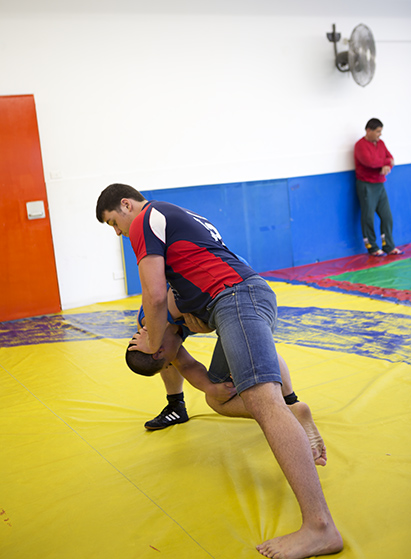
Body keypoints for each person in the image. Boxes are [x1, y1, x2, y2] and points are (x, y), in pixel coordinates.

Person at [96, 184, 343, 559]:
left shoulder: (147, 219)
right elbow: (203, 378)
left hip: (236, 296)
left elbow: (157, 295)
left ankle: (320, 527)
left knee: (263, 401)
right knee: (221, 400)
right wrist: (169, 345)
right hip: (236, 297)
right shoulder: (179, 219)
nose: (118, 232)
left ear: (126, 205)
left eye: (114, 223)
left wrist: (153, 338)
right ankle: (293, 410)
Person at [128, 302, 327, 467]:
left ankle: (290, 406)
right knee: (254, 346)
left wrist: (208, 326)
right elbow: (186, 364)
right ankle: (290, 402)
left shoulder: (176, 305)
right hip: (235, 292)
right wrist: (209, 387)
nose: (175, 361)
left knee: (253, 344)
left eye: (168, 360)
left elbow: (185, 362)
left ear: (158, 349)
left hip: (231, 297)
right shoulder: (147, 332)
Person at [354, 118, 403, 257]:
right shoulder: (360, 145)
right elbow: (370, 162)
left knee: (387, 216)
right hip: (366, 185)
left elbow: (391, 158)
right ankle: (372, 247)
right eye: (377, 132)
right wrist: (385, 163)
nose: (379, 135)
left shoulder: (381, 143)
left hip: (379, 184)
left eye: (380, 132)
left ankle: (388, 245)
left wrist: (387, 164)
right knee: (368, 216)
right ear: (368, 131)